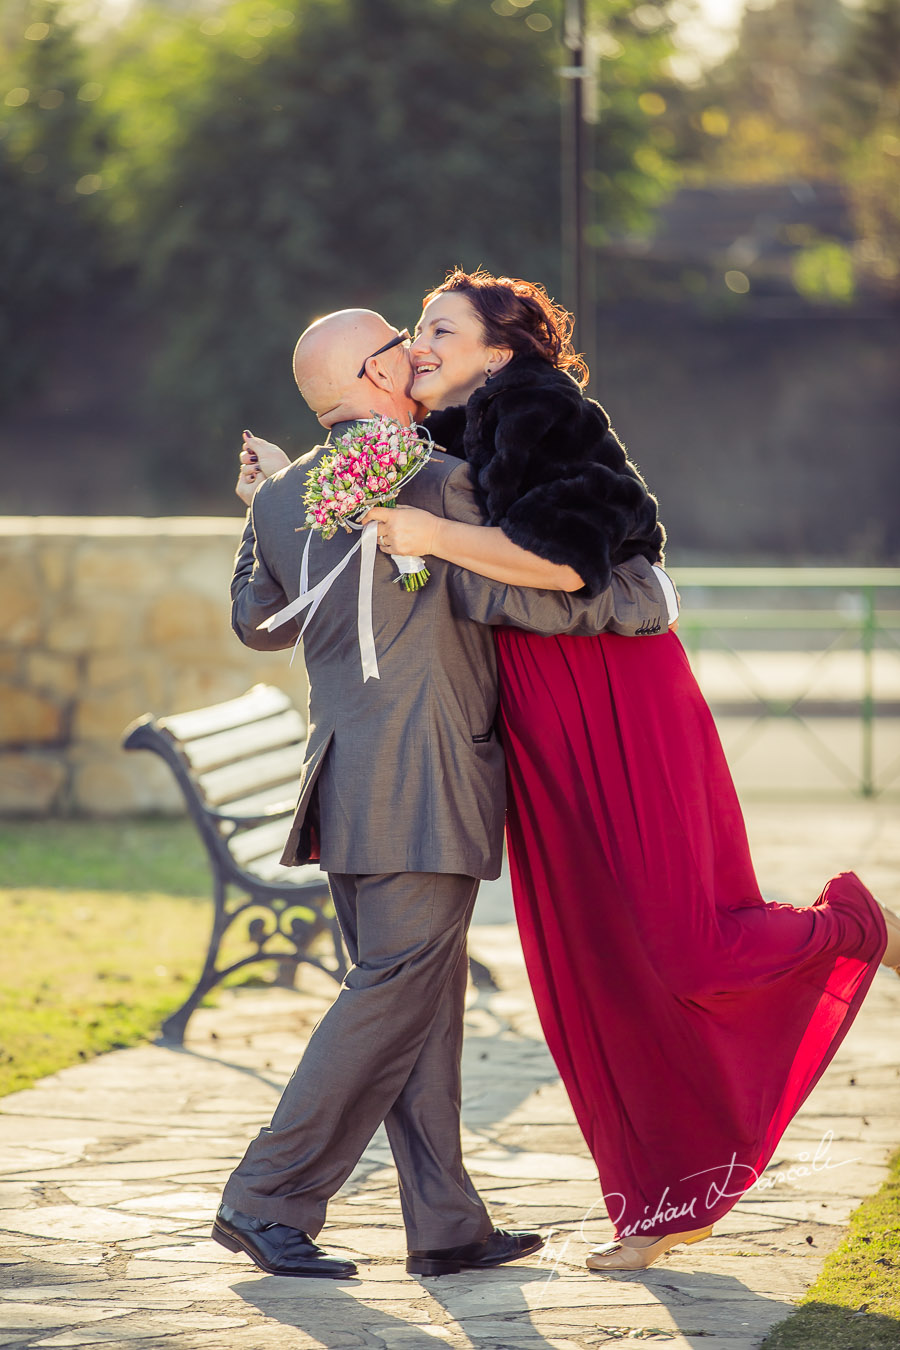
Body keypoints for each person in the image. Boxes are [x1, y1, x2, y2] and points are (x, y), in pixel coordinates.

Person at [361, 268, 900, 1272]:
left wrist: (434, 535)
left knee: (682, 946)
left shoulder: (539, 409)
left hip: (613, 691)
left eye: (441, 327)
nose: (419, 341)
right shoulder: (452, 432)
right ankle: (664, 1207)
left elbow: (567, 562)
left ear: (501, 349)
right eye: (414, 327)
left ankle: (857, 928)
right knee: (592, 962)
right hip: (540, 711)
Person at [215, 307, 674, 1279]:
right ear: (376, 377)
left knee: (420, 1000)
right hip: (424, 776)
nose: (417, 356)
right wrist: (634, 598)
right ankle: (267, 1195)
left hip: (342, 781)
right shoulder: (443, 487)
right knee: (394, 992)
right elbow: (523, 588)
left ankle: (446, 1222)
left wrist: (259, 508)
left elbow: (259, 624)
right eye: (399, 346)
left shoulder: (286, 495)